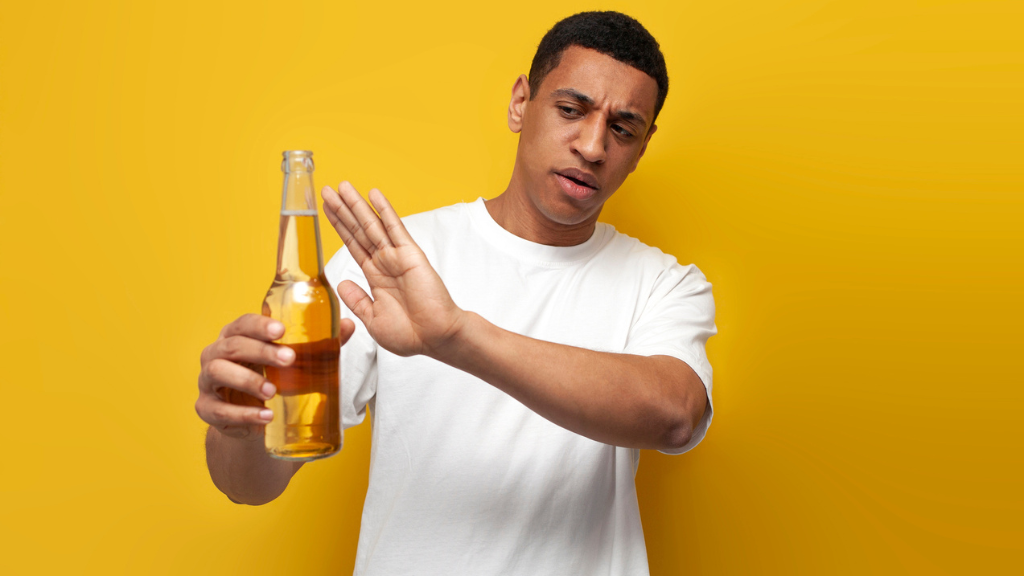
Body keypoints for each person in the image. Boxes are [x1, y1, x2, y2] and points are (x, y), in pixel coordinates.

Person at [196, 11, 717, 575]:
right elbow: (249, 485)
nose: (592, 146)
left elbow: (674, 416)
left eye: (623, 128)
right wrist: (238, 427)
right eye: (571, 109)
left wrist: (454, 335)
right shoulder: (392, 262)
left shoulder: (665, 283)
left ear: (643, 146)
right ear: (521, 103)